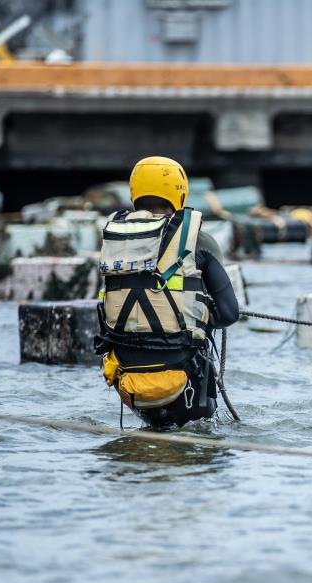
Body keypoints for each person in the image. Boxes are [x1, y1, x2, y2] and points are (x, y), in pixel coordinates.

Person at [95, 156, 240, 428]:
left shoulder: (116, 238)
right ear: (180, 191)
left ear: (134, 192)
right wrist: (199, 314)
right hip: (183, 373)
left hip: (128, 379)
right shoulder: (197, 239)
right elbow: (230, 313)